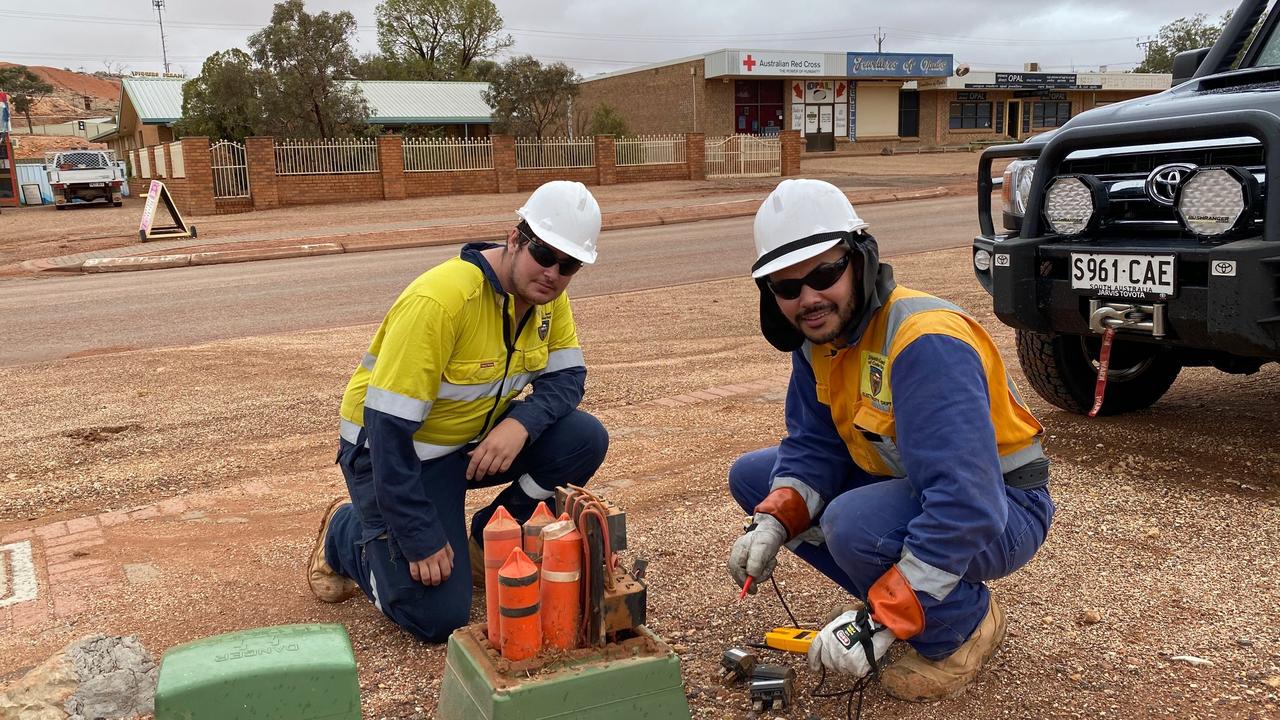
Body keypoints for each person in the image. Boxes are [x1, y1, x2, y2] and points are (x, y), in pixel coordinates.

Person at [727, 179, 1055, 702]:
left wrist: (879, 621)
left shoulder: (923, 342)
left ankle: (960, 625)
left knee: (852, 522)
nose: (808, 298)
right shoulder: (821, 339)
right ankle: (906, 596)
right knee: (753, 477)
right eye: (787, 288)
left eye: (824, 274)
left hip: (1003, 505)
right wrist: (774, 521)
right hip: (922, 488)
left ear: (859, 260)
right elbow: (815, 446)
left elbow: (967, 504)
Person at [307, 181, 610, 642]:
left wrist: (520, 423)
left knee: (583, 439)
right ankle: (345, 534)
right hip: (397, 458)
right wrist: (418, 536)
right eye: (545, 254)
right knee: (436, 618)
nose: (553, 272)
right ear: (515, 239)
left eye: (569, 265)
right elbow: (387, 431)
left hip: (469, 446)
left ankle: (488, 537)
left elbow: (567, 378)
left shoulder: (547, 301)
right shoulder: (442, 301)